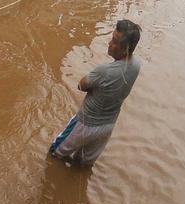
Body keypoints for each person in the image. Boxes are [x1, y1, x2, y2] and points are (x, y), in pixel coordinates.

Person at [50, 20, 143, 167]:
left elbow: (81, 85)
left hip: (85, 124)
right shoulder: (136, 65)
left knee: (55, 154)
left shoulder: (104, 71)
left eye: (114, 41)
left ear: (124, 49)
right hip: (107, 127)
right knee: (82, 165)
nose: (109, 43)